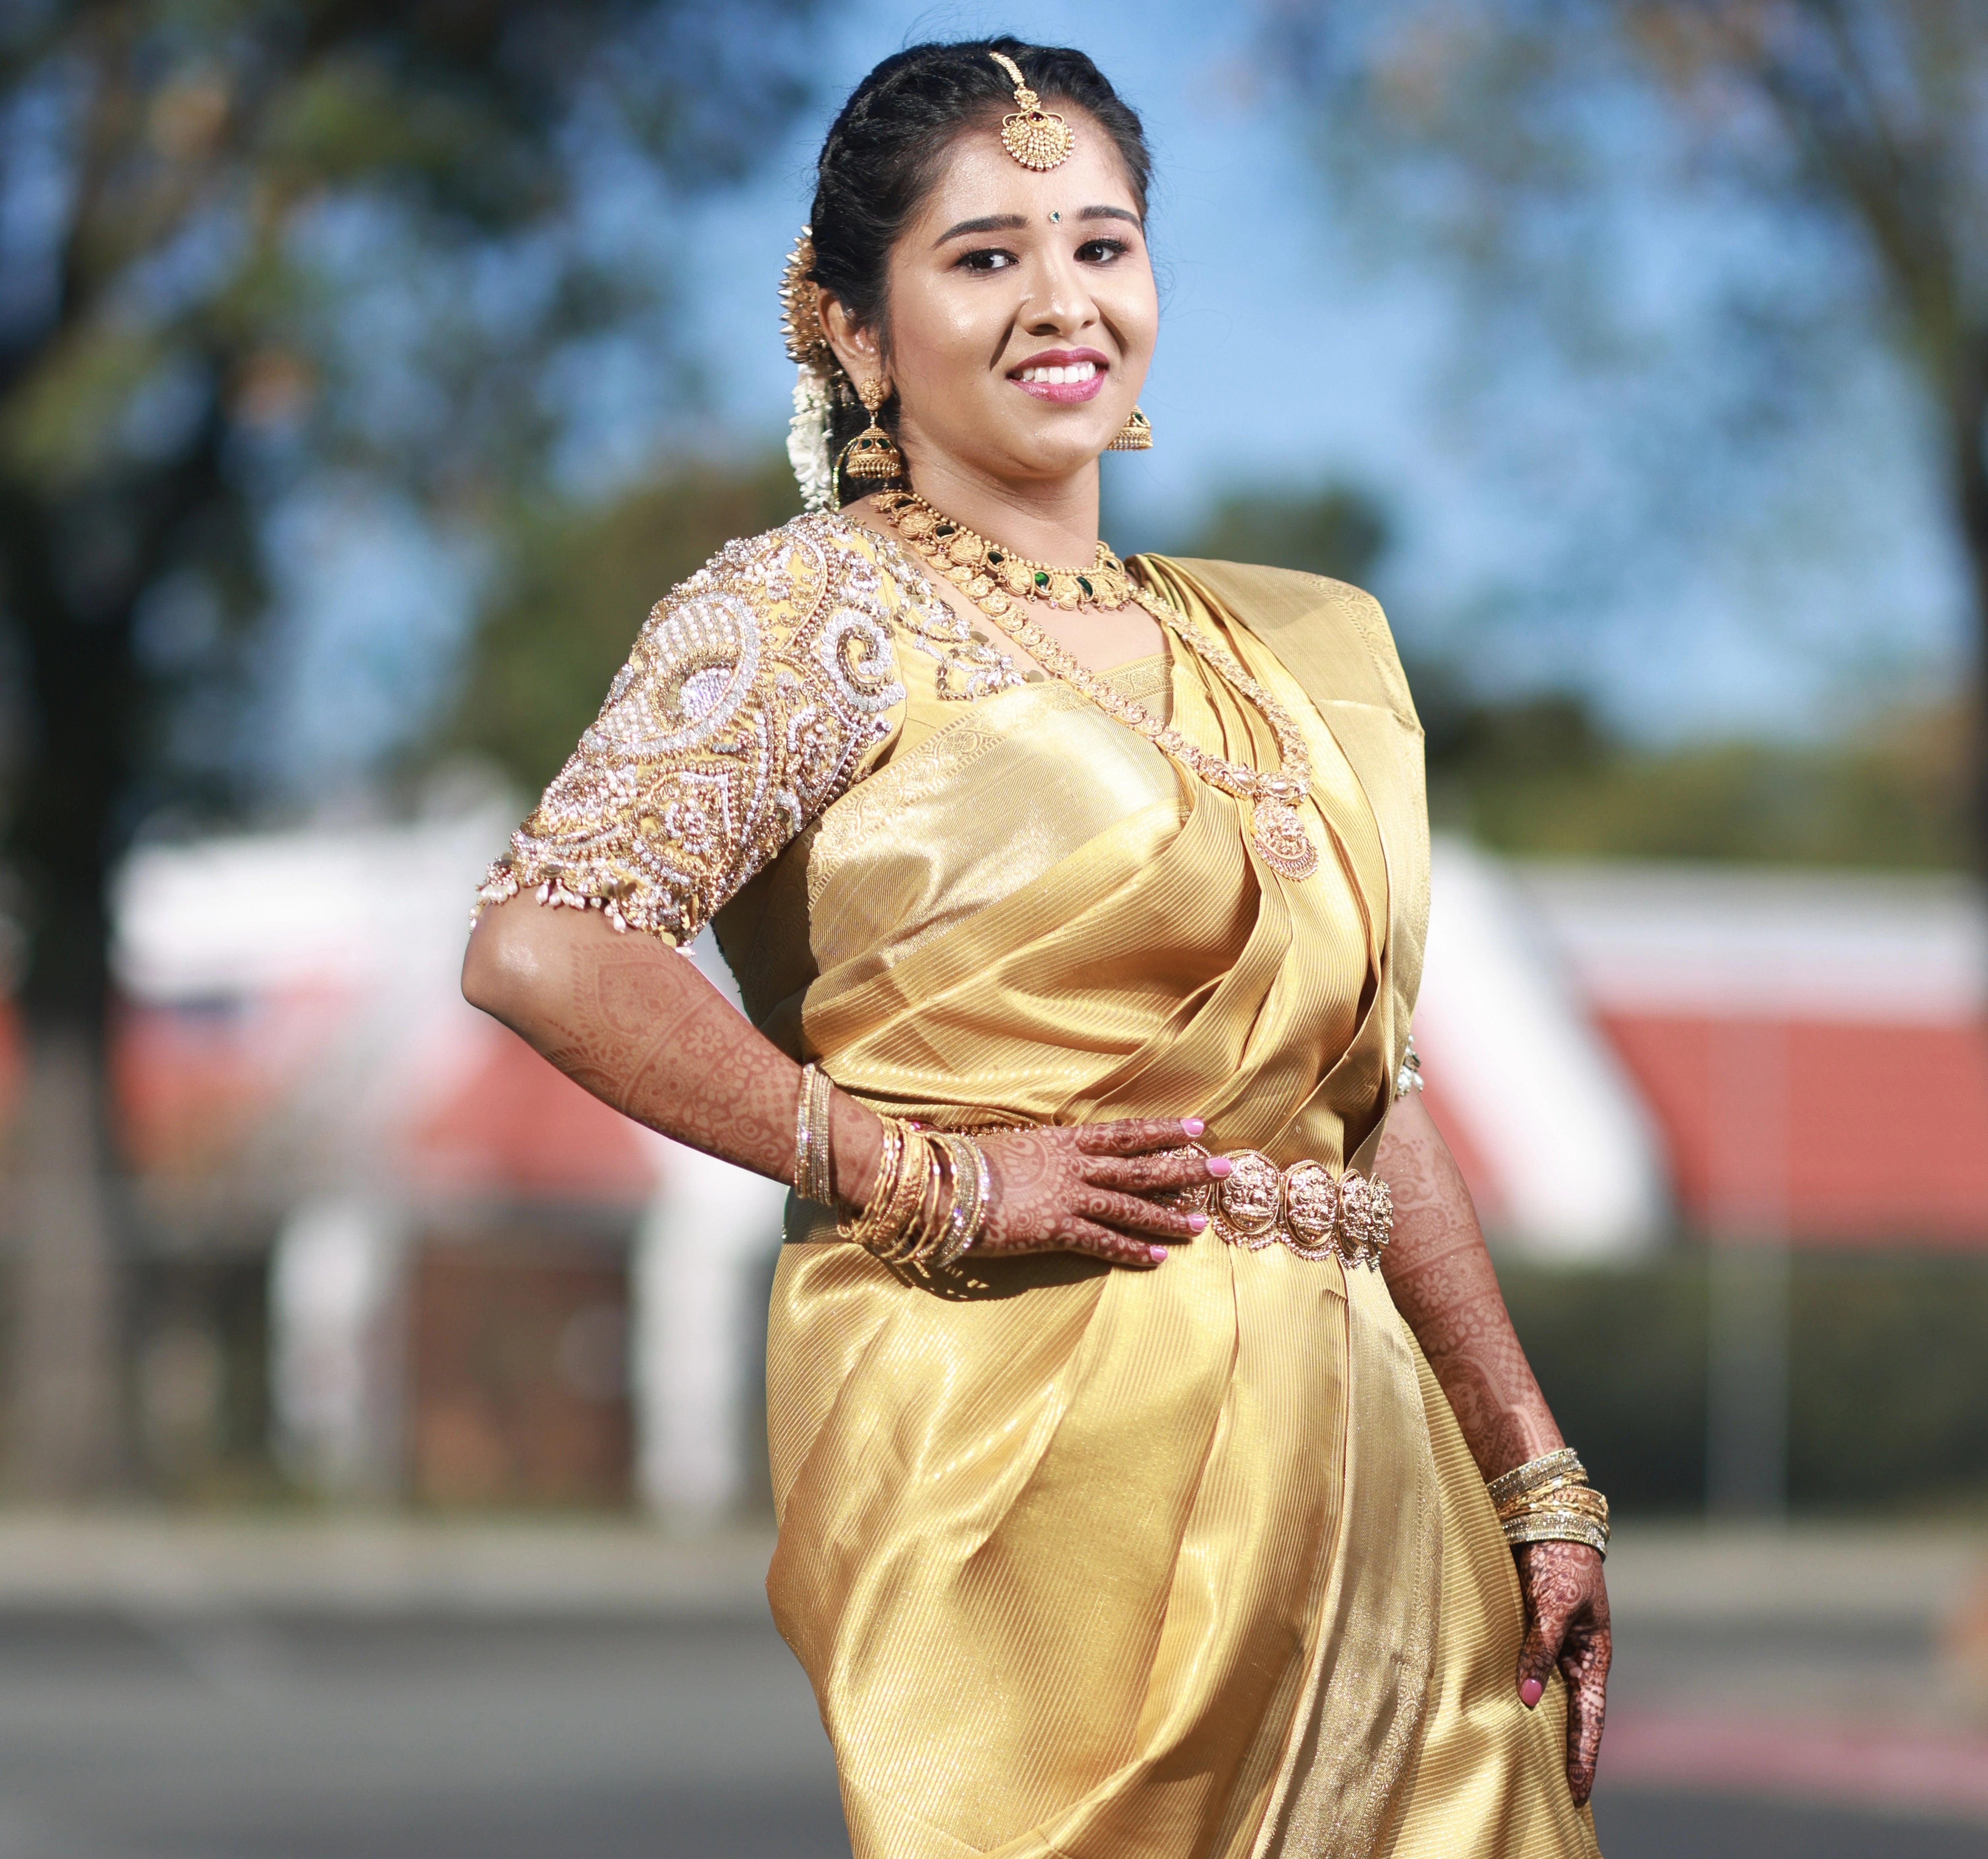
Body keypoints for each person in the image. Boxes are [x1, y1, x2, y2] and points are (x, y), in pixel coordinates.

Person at [463, 36, 1610, 1859]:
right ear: (849, 328)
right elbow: (545, 944)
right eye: (985, 255)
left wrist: (1528, 1466)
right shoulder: (814, 609)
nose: (1060, 300)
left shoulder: (1290, 646)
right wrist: (914, 1168)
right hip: (1023, 1445)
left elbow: (1360, 1101)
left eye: (1101, 244)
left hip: (1369, 1475)